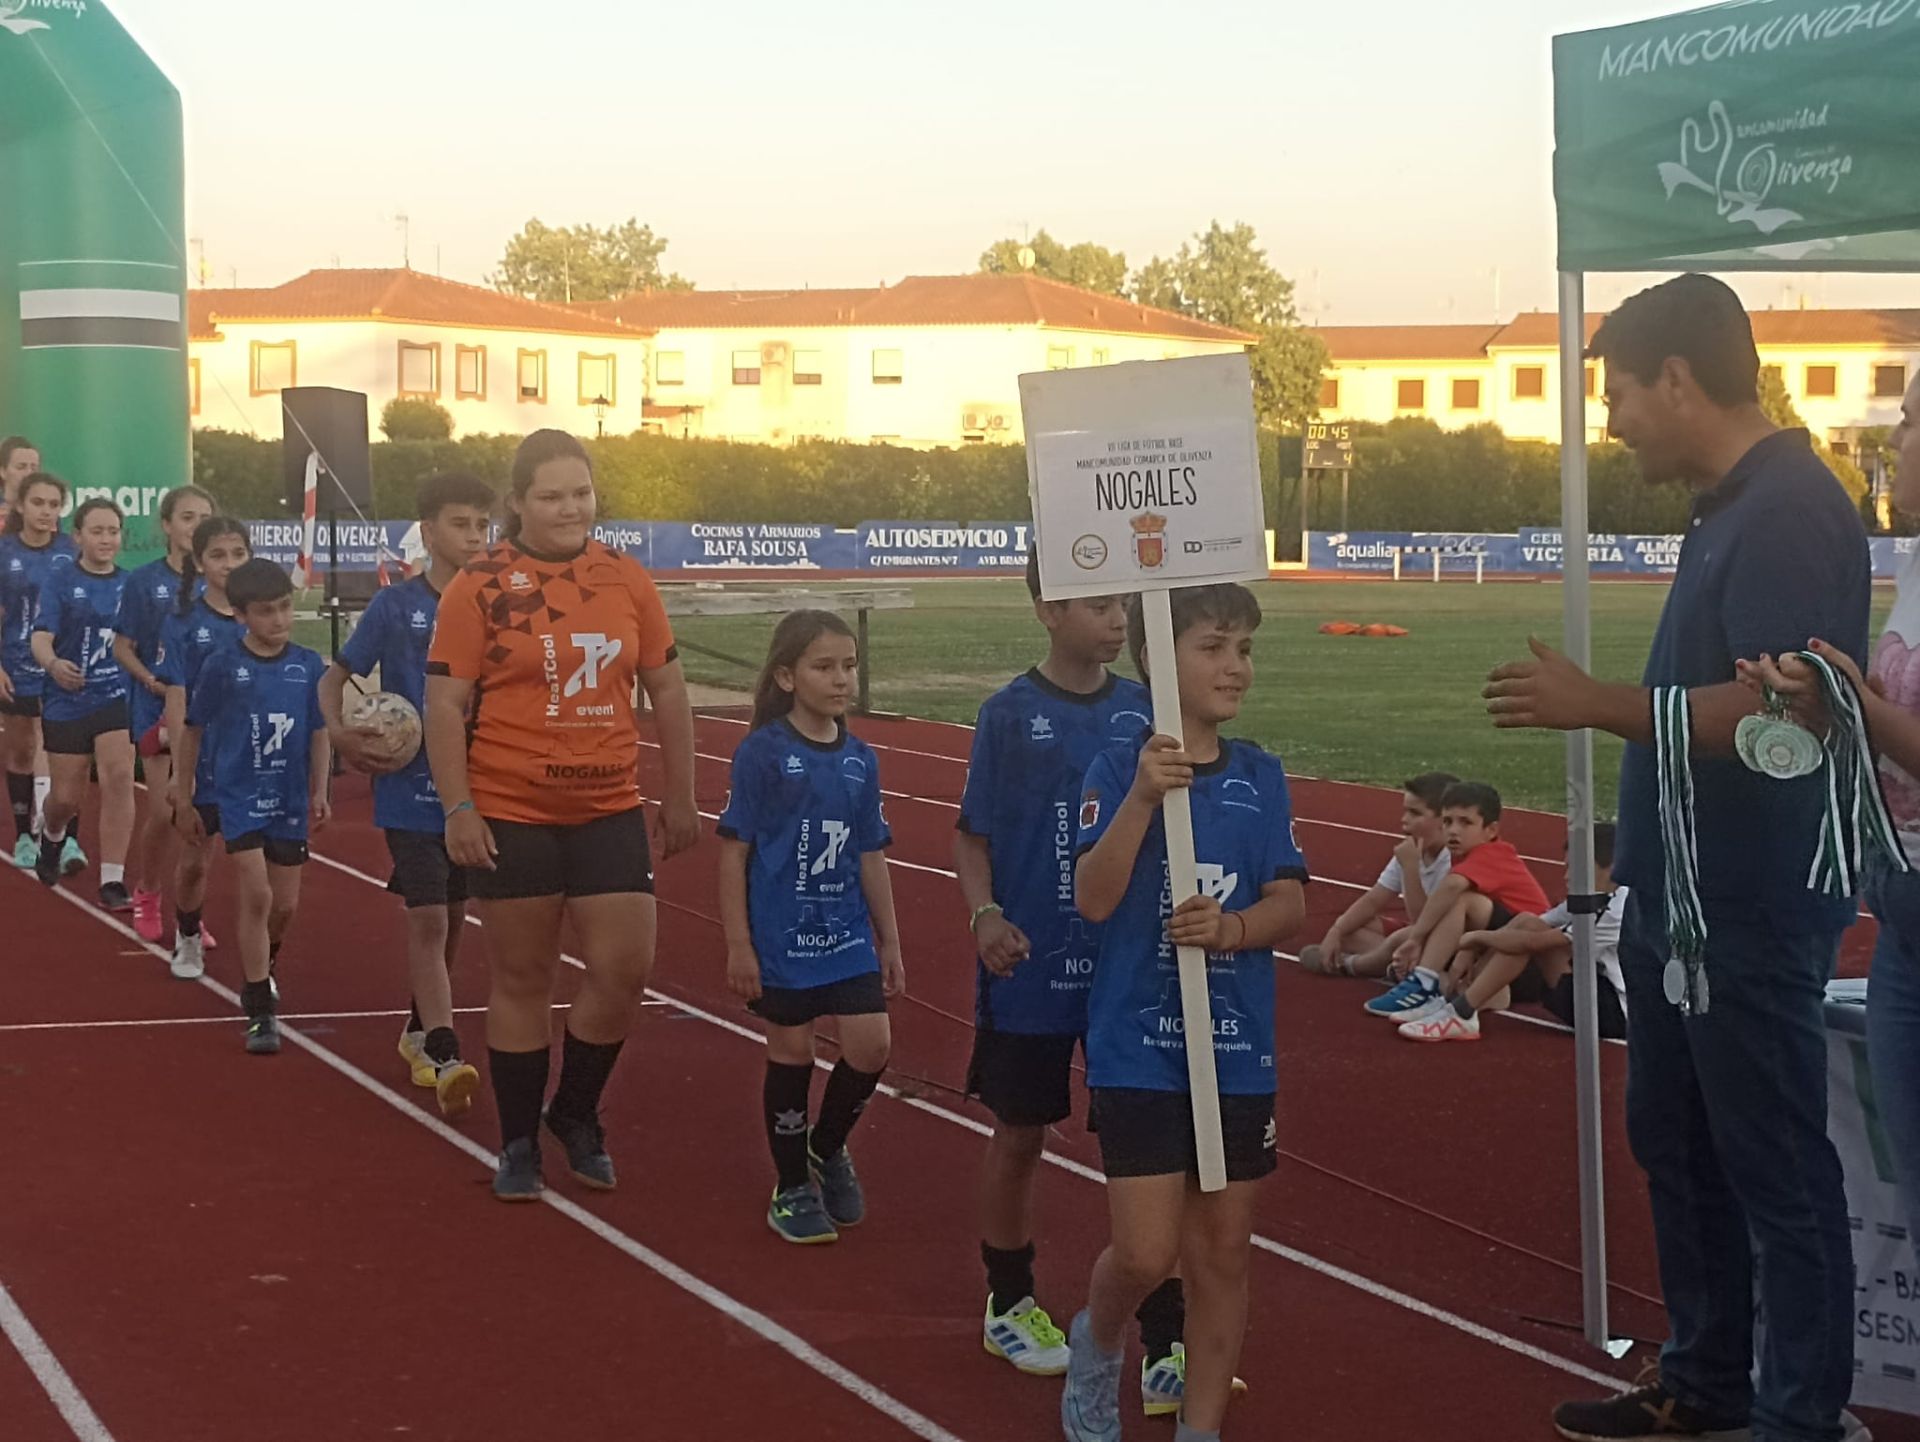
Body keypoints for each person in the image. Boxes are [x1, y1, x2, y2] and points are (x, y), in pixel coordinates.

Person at [1484, 274, 1868, 1442]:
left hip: (1747, 901)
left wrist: (1596, 702)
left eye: (1616, 394)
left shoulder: (1792, 508)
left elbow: (1783, 713)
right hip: (1685, 897)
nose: (1609, 422)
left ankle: (1800, 1414)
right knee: (1683, 1147)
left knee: (1773, 1167)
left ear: (1678, 380)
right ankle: (1705, 1384)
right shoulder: (1730, 506)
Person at [1060, 584, 1308, 1442]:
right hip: (1140, 1044)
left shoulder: (1260, 775)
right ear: (1157, 662)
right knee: (1145, 1253)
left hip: (1236, 1046)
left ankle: (1198, 1429)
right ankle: (1097, 1342)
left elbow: (1290, 903)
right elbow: (1092, 900)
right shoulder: (1114, 765)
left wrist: (1233, 928)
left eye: (1244, 649)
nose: (1235, 666)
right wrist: (1138, 799)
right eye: (1213, 647)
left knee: (1222, 1252)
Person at [426, 428, 699, 1202]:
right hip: (512, 809)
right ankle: (517, 1141)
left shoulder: (626, 579)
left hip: (608, 805)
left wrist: (680, 793)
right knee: (522, 978)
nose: (570, 508)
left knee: (624, 970)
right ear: (517, 504)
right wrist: (459, 807)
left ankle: (574, 1110)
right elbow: (445, 704)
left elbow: (668, 690)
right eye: (550, 496)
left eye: (580, 493)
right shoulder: (477, 587)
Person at [958, 559, 1209, 1398]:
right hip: (1030, 965)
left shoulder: (1146, 712)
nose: (1116, 621)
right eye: (1100, 605)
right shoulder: (1007, 714)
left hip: (1128, 972)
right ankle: (1009, 1297)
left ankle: (1166, 1342)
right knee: (1020, 1134)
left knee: (1145, 1154)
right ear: (1045, 608)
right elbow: (973, 834)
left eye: (1124, 607)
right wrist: (984, 915)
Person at [1739, 365, 1920, 1281]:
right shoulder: (1915, 563)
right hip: (1901, 909)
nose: (1894, 445)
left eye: (1911, 425)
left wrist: (1857, 705)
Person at [717, 610, 904, 1244]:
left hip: (845, 932)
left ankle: (826, 1146)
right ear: (787, 677)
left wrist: (890, 938)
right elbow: (734, 851)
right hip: (782, 935)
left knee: (872, 1044)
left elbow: (871, 853)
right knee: (791, 1051)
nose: (841, 679)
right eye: (824, 667)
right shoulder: (764, 754)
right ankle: (792, 1184)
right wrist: (739, 943)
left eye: (849, 666)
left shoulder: (859, 760)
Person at [322, 472, 493, 1118]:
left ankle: (417, 1029)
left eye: (482, 525)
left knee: (451, 918)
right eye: (460, 524)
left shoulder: (498, 605)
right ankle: (446, 1050)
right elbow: (334, 677)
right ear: (427, 532)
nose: (474, 537)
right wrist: (341, 733)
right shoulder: (396, 608)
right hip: (407, 790)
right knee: (426, 916)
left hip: (472, 790)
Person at [174, 559, 330, 1054]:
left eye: (285, 609)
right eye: (266, 612)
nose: (279, 620)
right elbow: (193, 728)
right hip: (237, 794)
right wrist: (184, 790)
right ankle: (261, 1007)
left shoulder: (308, 666)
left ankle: (266, 963)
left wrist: (320, 789)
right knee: (258, 894)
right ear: (241, 615)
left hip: (288, 798)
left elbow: (320, 731)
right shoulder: (223, 664)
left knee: (285, 905)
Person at [1400, 823, 1628, 1044]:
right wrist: (1473, 948)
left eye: (1577, 868)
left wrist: (1475, 938)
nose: (1567, 877)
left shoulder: (1617, 909)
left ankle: (1462, 1011)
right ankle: (1458, 1003)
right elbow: (1531, 922)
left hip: (1615, 1015)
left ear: (1613, 868)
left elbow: (1536, 941)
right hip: (1594, 993)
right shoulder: (1600, 897)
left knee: (1527, 938)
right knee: (1526, 922)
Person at [114, 485, 218, 939]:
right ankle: (148, 891)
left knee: (201, 816)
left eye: (203, 517)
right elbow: (123, 646)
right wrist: (152, 681)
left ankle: (190, 915)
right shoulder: (143, 582)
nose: (194, 525)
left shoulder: (217, 582)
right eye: (187, 517)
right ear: (167, 525)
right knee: (163, 809)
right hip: (157, 705)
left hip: (208, 710)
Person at [1363, 781, 1549, 1023]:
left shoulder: (1493, 854)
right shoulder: (1462, 857)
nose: (1453, 830)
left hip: (1531, 961)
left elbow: (1451, 889)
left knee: (1461, 899)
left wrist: (1416, 939)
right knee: (1424, 932)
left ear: (1491, 830)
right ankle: (1444, 989)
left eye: (1465, 822)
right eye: (1448, 821)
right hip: (1496, 950)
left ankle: (1424, 982)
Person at [158, 518, 252, 978]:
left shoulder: (262, 613)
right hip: (206, 760)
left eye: (237, 554)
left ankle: (261, 964)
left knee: (265, 872)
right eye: (218, 555)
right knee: (196, 860)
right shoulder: (183, 623)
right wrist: (182, 771)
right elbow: (177, 699)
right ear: (199, 563)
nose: (229, 564)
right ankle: (188, 934)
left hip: (254, 761)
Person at [29, 497, 133, 903]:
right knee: (66, 798)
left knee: (120, 778)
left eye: (112, 531)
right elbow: (40, 636)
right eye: (97, 531)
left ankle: (112, 878)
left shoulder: (131, 584)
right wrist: (53, 664)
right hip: (67, 700)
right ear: (78, 536)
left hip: (116, 696)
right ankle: (52, 835)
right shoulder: (60, 582)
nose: (106, 539)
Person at [1297, 771, 1456, 978]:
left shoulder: (1452, 859)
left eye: (1415, 813)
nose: (1404, 820)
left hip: (1446, 942)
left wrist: (1410, 867)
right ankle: (1398, 965)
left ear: (1444, 821)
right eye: (1405, 811)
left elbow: (1424, 925)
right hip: (1417, 938)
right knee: (1351, 928)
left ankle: (1355, 965)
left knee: (1404, 937)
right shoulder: (1412, 850)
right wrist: (1336, 931)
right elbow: (1373, 900)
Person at [0, 473, 75, 870]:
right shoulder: (5, 552)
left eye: (52, 504)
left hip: (60, 666)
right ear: (21, 507)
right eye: (38, 503)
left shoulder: (69, 550)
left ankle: (68, 838)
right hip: (15, 664)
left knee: (66, 750)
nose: (46, 511)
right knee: (23, 748)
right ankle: (23, 835)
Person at [0, 436, 41, 520]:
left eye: (34, 468)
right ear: (3, 471)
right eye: (21, 467)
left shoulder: (45, 512)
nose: (28, 473)